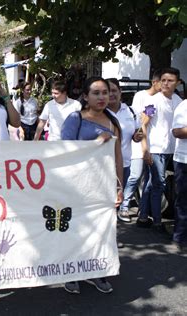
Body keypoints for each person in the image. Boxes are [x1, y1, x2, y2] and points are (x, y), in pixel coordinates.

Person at [61, 77, 123, 295]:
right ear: (85, 97)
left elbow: (118, 157)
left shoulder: (113, 121)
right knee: (76, 230)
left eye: (105, 92)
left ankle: (97, 271)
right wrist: (96, 143)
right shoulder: (75, 118)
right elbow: (64, 152)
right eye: (96, 93)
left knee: (101, 231)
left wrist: (119, 186)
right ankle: (71, 273)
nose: (102, 97)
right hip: (77, 186)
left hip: (103, 186)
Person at [138, 67, 182, 233]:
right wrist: (145, 149)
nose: (165, 83)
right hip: (156, 148)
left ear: (177, 82)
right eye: (163, 80)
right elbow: (143, 124)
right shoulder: (153, 101)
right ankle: (157, 221)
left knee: (151, 184)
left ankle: (143, 216)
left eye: (170, 81)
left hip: (172, 148)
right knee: (159, 184)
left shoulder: (178, 100)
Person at [119, 71, 161, 222]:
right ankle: (124, 205)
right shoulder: (141, 96)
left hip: (156, 145)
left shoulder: (166, 99)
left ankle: (143, 212)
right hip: (138, 144)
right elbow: (141, 120)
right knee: (135, 175)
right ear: (154, 82)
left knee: (147, 180)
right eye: (162, 82)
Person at [106, 78, 143, 222]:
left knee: (116, 200)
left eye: (114, 90)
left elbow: (135, 133)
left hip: (124, 163)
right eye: (107, 91)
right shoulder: (100, 112)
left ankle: (113, 237)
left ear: (120, 92)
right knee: (105, 204)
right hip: (104, 163)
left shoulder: (131, 111)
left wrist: (137, 136)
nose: (111, 94)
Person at [172, 98, 187, 253]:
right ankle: (179, 238)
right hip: (184, 160)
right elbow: (176, 132)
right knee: (183, 201)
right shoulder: (184, 106)